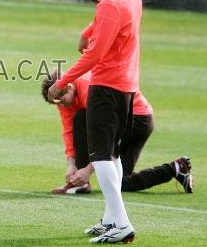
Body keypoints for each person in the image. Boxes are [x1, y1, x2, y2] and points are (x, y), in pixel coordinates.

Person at [48, 0, 141, 243]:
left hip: (107, 86)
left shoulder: (110, 4)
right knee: (111, 154)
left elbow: (94, 55)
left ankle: (122, 223)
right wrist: (87, 30)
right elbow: (106, 23)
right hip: (127, 84)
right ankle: (111, 218)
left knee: (100, 156)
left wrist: (62, 81)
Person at [41, 71, 194, 194]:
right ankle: (176, 168)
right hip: (119, 119)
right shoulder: (62, 97)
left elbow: (108, 137)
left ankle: (83, 179)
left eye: (61, 100)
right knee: (120, 182)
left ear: (69, 86)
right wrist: (71, 165)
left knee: (83, 119)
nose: (61, 105)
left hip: (138, 121)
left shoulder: (89, 88)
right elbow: (69, 130)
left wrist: (88, 170)